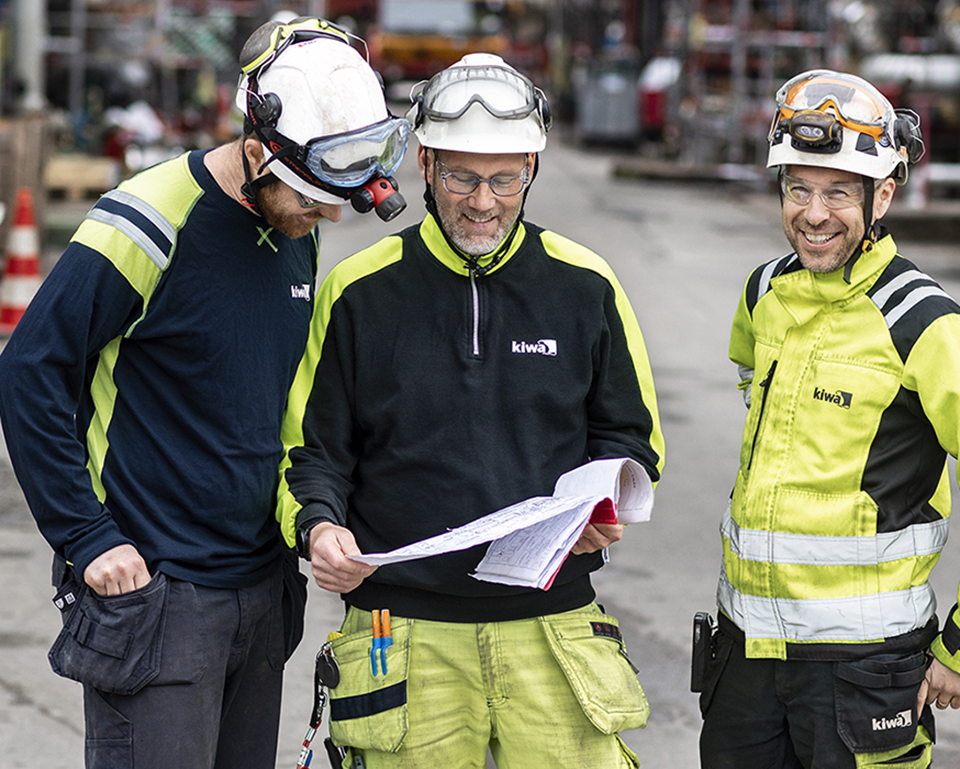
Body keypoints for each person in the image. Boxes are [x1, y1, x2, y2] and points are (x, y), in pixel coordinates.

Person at [0, 17, 409, 769]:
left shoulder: (296, 224)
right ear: (257, 151)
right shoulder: (149, 220)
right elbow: (30, 368)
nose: (326, 215)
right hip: (159, 593)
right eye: (312, 198)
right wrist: (85, 536)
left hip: (260, 593)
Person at [276, 53, 665, 768]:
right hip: (401, 632)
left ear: (531, 169)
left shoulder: (586, 285)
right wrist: (319, 528)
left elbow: (629, 436)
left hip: (553, 629)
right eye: (461, 177)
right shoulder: (360, 291)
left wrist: (605, 504)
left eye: (505, 178)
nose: (483, 202)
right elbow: (311, 453)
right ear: (424, 164)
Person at [697, 69, 960, 768]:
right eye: (798, 189)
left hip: (867, 669)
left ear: (883, 195)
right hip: (746, 653)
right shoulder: (764, 291)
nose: (813, 214)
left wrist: (959, 647)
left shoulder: (924, 323)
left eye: (839, 192)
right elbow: (755, 388)